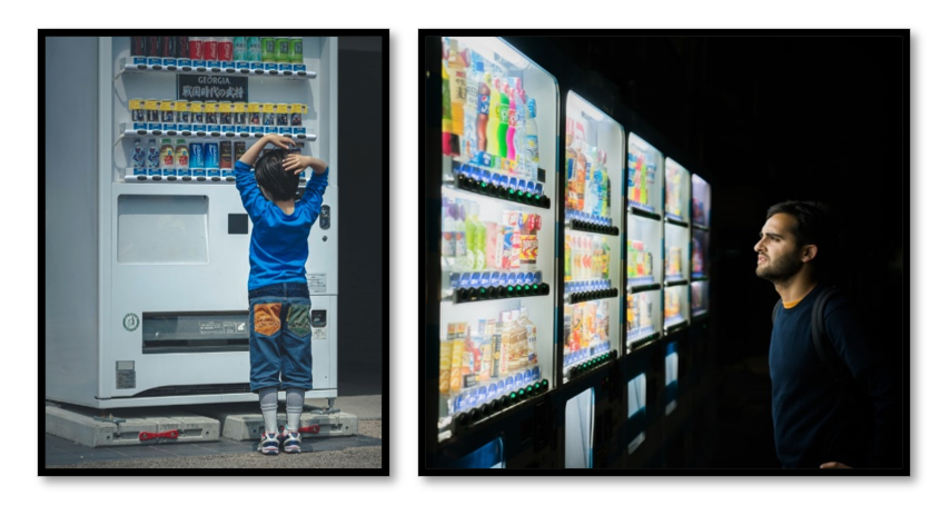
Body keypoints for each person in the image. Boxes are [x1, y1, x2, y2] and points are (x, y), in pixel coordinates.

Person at [754, 200, 899, 468]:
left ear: (807, 253)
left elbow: (892, 394)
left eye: (773, 238)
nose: (758, 246)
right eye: (762, 236)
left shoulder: (834, 313)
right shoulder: (780, 310)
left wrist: (875, 470)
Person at [235, 134, 329, 455]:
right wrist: (307, 162)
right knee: (297, 359)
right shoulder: (305, 213)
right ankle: (293, 432)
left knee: (266, 359)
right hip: (299, 297)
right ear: (295, 180)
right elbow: (323, 173)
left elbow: (240, 169)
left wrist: (264, 140)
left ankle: (271, 433)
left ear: (265, 187)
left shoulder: (262, 211)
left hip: (265, 296)